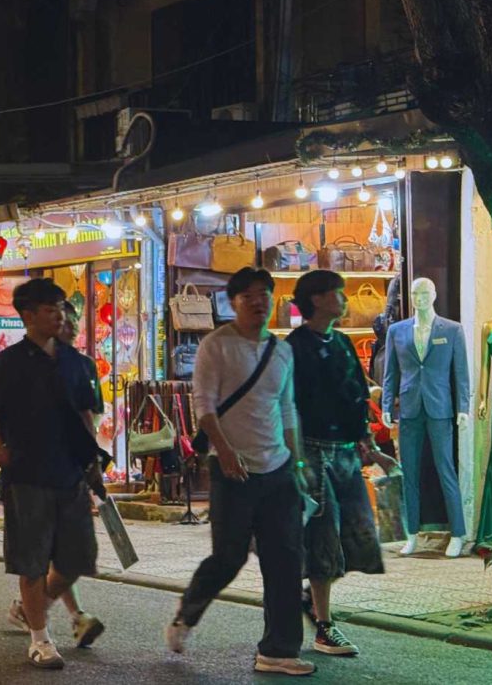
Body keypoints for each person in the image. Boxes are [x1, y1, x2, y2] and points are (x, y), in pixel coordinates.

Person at [165, 267, 313, 677]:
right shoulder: (217, 345)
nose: (258, 302)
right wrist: (225, 453)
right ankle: (187, 614)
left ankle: (278, 650)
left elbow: (287, 409)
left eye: (264, 294)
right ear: (233, 302)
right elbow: (205, 406)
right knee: (228, 557)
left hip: (278, 468)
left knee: (285, 559)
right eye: (248, 295)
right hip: (233, 470)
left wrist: (297, 463)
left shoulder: (281, 350)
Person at [0, 279, 106, 670]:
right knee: (31, 560)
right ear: (28, 315)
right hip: (27, 473)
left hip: (70, 473)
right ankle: (40, 639)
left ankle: (31, 609)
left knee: (79, 557)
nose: (59, 315)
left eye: (61, 307)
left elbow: (87, 414)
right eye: (50, 308)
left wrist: (95, 464)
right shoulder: (9, 362)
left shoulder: (78, 363)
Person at [287, 270, 385, 657]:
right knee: (324, 533)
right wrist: (293, 459)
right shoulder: (293, 347)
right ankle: (325, 626)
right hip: (310, 451)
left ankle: (313, 595)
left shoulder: (343, 342)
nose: (344, 300)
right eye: (337, 294)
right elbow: (287, 404)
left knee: (359, 534)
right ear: (317, 299)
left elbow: (357, 395)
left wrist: (366, 442)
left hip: (344, 450)